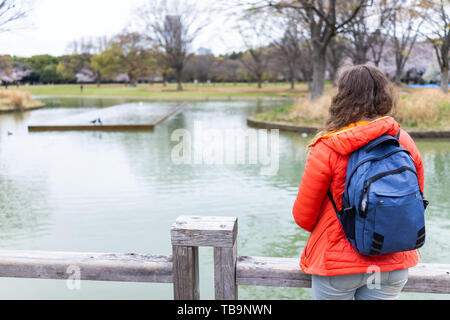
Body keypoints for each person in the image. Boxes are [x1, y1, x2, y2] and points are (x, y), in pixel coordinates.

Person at [292, 64, 424, 300]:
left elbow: (304, 217)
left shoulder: (328, 147)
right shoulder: (403, 141)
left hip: (339, 266)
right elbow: (414, 201)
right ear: (385, 95)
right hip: (392, 264)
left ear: (342, 96)